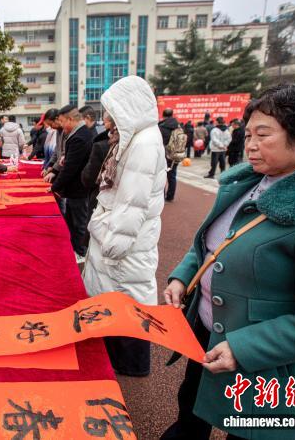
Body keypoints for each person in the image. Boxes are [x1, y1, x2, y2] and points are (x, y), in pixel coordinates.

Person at [161, 82, 295, 440]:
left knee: (250, 430)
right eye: (247, 134)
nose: (249, 144)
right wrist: (183, 276)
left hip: (267, 359)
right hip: (208, 334)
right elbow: (215, 242)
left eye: (262, 135)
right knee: (190, 412)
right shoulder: (248, 183)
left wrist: (244, 348)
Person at [83, 76, 167, 377]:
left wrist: (112, 243)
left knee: (128, 298)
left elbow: (133, 202)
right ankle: (123, 361)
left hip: (123, 241)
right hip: (118, 232)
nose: (108, 118)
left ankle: (131, 366)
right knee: (120, 297)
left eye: (112, 111)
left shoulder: (143, 143)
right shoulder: (136, 137)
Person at [50, 104, 94, 259]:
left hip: (79, 189)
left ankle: (81, 253)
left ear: (70, 119)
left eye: (62, 122)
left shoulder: (80, 137)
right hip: (74, 190)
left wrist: (54, 187)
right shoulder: (78, 134)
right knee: (71, 222)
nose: (61, 126)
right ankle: (74, 250)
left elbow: (70, 168)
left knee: (79, 223)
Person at [81, 111, 117, 216]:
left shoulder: (101, 144)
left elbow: (89, 176)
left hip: (102, 195)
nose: (104, 126)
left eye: (105, 123)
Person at [159, 108, 185, 202]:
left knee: (161, 176)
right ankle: (170, 196)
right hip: (175, 154)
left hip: (164, 154)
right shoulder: (178, 126)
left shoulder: (161, 126)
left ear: (163, 115)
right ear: (172, 114)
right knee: (172, 175)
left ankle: (161, 196)